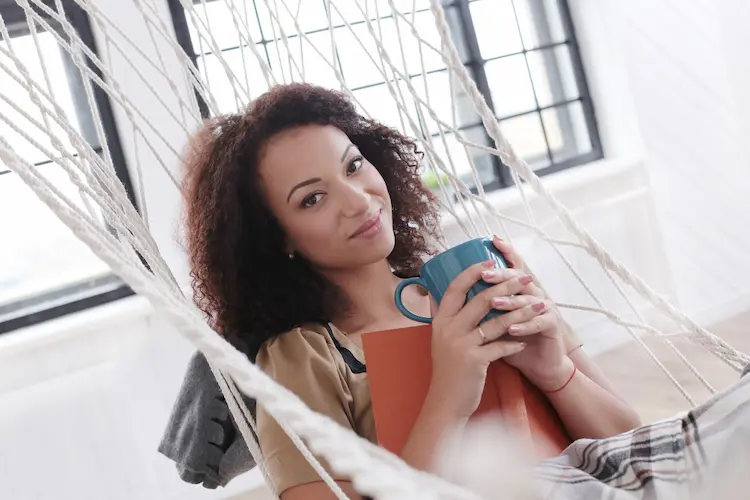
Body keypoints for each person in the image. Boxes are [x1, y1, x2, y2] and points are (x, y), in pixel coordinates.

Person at [174, 82, 641, 499]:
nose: (358, 201)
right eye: (312, 198)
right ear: (278, 238)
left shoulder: (479, 287)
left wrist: (555, 371)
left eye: (354, 166)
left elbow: (633, 448)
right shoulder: (303, 358)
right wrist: (449, 395)